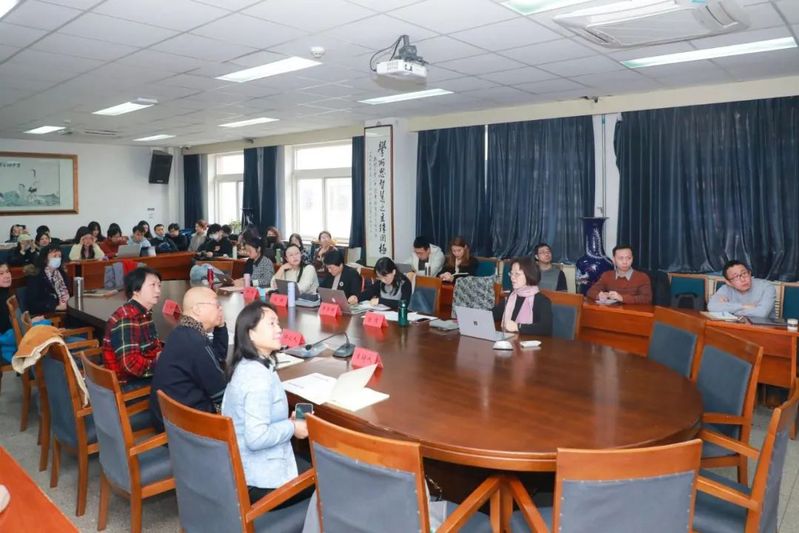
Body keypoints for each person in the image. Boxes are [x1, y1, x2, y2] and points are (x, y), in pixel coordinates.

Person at [221, 300, 310, 505]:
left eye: (278, 323)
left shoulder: (249, 364)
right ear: (251, 333)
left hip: (244, 468)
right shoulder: (257, 378)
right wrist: (292, 427)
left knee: (310, 460)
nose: (279, 329)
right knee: (327, 474)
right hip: (259, 480)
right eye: (271, 324)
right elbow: (257, 438)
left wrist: (288, 422)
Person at [148, 286, 228, 432]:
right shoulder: (196, 342)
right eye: (217, 305)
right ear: (197, 309)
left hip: (168, 418)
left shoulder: (181, 332)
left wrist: (220, 325)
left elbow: (217, 357)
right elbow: (221, 394)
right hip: (185, 427)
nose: (220, 309)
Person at [101, 267, 164, 389]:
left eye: (159, 285)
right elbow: (130, 364)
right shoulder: (127, 318)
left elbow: (151, 348)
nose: (158, 290)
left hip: (138, 376)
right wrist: (159, 364)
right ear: (136, 290)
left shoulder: (141, 312)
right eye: (152, 285)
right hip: (127, 384)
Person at [493, 257, 553, 336]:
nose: (512, 277)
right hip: (511, 340)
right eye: (511, 273)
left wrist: (518, 327)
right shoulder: (512, 296)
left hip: (531, 342)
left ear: (530, 275)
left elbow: (546, 328)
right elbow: (495, 314)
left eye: (517, 274)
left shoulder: (542, 301)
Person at [708, 260, 776, 318]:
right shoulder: (725, 289)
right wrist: (743, 306)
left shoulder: (767, 287)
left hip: (762, 328)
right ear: (728, 282)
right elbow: (711, 307)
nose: (743, 279)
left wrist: (729, 310)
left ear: (749, 273)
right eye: (736, 277)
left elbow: (761, 313)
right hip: (735, 326)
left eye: (744, 273)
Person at [586, 245, 652, 304]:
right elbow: (590, 291)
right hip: (612, 312)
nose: (625, 262)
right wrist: (599, 295)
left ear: (632, 258)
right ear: (614, 260)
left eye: (628, 258)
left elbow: (647, 299)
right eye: (621, 258)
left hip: (634, 313)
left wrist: (622, 298)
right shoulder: (607, 275)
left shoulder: (642, 277)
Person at [27, 245, 70, 314]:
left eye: (59, 256)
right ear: (45, 259)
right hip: (49, 313)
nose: (58, 259)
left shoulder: (62, 273)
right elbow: (33, 304)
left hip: (66, 309)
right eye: (54, 256)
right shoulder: (36, 276)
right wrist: (56, 307)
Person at [0, 262, 15, 363]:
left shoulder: (7, 292)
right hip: (5, 337)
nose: (6, 276)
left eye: (7, 271)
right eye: (1, 273)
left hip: (13, 331)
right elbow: (5, 326)